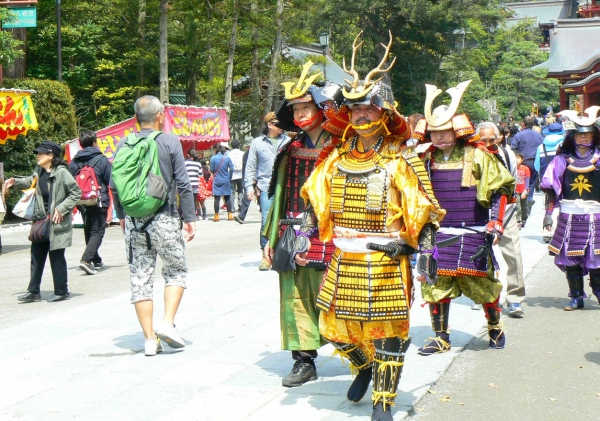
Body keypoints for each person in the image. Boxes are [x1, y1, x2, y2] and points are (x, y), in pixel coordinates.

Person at [300, 33, 444, 421]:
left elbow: (426, 210)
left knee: (390, 333)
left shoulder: (403, 160)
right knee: (331, 327)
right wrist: (303, 230)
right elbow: (316, 199)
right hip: (345, 255)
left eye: (368, 108)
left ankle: (383, 402)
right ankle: (363, 366)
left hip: (387, 256)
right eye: (354, 109)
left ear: (384, 113)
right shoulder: (335, 158)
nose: (361, 115)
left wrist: (422, 253)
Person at [413, 80, 515, 356]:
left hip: (473, 229)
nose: (440, 137)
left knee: (481, 282)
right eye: (434, 132)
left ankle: (494, 326)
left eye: (445, 131)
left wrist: (496, 220)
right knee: (435, 283)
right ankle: (440, 337)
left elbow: (499, 189)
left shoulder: (478, 155)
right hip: (437, 232)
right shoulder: (424, 159)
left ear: (456, 129)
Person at [260, 61, 342, 388]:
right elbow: (279, 193)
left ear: (322, 108)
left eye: (307, 106)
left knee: (336, 291)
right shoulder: (290, 148)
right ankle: (304, 360)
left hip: (332, 229)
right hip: (292, 229)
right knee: (293, 296)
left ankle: (359, 352)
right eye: (296, 108)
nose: (301, 113)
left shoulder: (341, 146)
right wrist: (270, 235)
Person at [110, 95, 196, 356]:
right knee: (175, 272)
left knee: (140, 279)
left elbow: (115, 184)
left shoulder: (125, 142)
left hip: (135, 223)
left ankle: (149, 340)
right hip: (165, 218)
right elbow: (184, 184)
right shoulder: (169, 141)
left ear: (136, 118)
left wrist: (122, 214)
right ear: (160, 116)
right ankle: (168, 324)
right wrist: (190, 218)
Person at [5, 140, 81, 303]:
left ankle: (62, 291)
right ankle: (33, 291)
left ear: (51, 155)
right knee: (36, 256)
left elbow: (76, 192)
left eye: (41, 153)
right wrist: (14, 182)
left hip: (57, 222)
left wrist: (61, 208)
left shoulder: (61, 172)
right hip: (40, 221)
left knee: (56, 256)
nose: (38, 156)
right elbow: (29, 181)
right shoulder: (39, 170)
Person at [541, 107, 600, 311]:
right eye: (580, 134)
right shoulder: (561, 159)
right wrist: (548, 214)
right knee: (570, 258)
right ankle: (576, 296)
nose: (584, 138)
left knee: (597, 256)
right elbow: (550, 188)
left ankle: (599, 291)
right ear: (572, 136)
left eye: (588, 133)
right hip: (570, 214)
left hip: (596, 213)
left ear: (594, 134)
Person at [477, 122, 526, 317]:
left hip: (507, 210)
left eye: (492, 139)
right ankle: (483, 295)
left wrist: (501, 218)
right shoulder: (472, 155)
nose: (488, 143)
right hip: (480, 212)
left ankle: (514, 297)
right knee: (481, 256)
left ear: (498, 138)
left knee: (513, 255)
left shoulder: (507, 155)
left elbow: (511, 184)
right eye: (483, 140)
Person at [245, 112, 289, 270]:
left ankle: (281, 253)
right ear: (270, 125)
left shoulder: (288, 141)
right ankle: (265, 256)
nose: (281, 126)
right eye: (278, 123)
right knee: (266, 222)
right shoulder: (257, 143)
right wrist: (249, 186)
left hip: (285, 186)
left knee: (285, 220)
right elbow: (250, 166)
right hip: (265, 187)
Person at [68, 130, 112, 275]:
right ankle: (86, 260)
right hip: (99, 200)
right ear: (94, 142)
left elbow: (70, 182)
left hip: (82, 201)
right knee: (98, 231)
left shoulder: (74, 162)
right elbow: (110, 181)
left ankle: (96, 260)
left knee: (89, 229)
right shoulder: (102, 160)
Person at [535, 122, 564, 243]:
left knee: (549, 205)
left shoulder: (541, 147)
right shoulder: (564, 145)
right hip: (562, 180)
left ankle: (548, 231)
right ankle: (561, 231)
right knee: (563, 206)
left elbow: (537, 166)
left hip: (546, 182)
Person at [511, 116, 544, 207]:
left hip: (522, 162)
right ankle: (529, 199)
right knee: (531, 182)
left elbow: (513, 148)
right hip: (534, 162)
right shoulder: (539, 135)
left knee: (520, 181)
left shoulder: (519, 135)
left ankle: (521, 201)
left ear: (523, 124)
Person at [209, 144, 234, 221]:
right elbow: (232, 169)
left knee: (217, 198)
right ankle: (230, 214)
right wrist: (229, 176)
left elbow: (212, 170)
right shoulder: (227, 158)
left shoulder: (213, 158)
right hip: (226, 179)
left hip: (217, 180)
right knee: (227, 197)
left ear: (215, 149)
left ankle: (216, 216)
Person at [234, 136, 254, 224]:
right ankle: (241, 216)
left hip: (260, 178)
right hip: (248, 179)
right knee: (246, 197)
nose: (248, 147)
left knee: (263, 199)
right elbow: (245, 168)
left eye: (249, 146)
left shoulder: (258, 153)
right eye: (247, 146)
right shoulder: (246, 155)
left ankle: (267, 215)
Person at [184, 149, 203, 220]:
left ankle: (184, 215)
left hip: (186, 184)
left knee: (186, 200)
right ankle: (193, 216)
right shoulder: (198, 164)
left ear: (188, 155)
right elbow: (200, 175)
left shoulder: (184, 163)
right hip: (195, 184)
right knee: (194, 200)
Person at [514, 152, 530, 228]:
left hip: (523, 190)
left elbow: (527, 180)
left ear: (522, 159)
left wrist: (525, 190)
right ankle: (518, 221)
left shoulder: (525, 169)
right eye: (515, 158)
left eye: (518, 158)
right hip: (516, 191)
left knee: (524, 207)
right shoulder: (513, 168)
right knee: (517, 207)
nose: (517, 160)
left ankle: (524, 219)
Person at [228, 139, 244, 212]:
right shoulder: (242, 153)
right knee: (240, 190)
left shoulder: (229, 154)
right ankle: (240, 205)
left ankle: (232, 207)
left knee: (232, 191)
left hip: (232, 174)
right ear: (239, 145)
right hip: (241, 174)